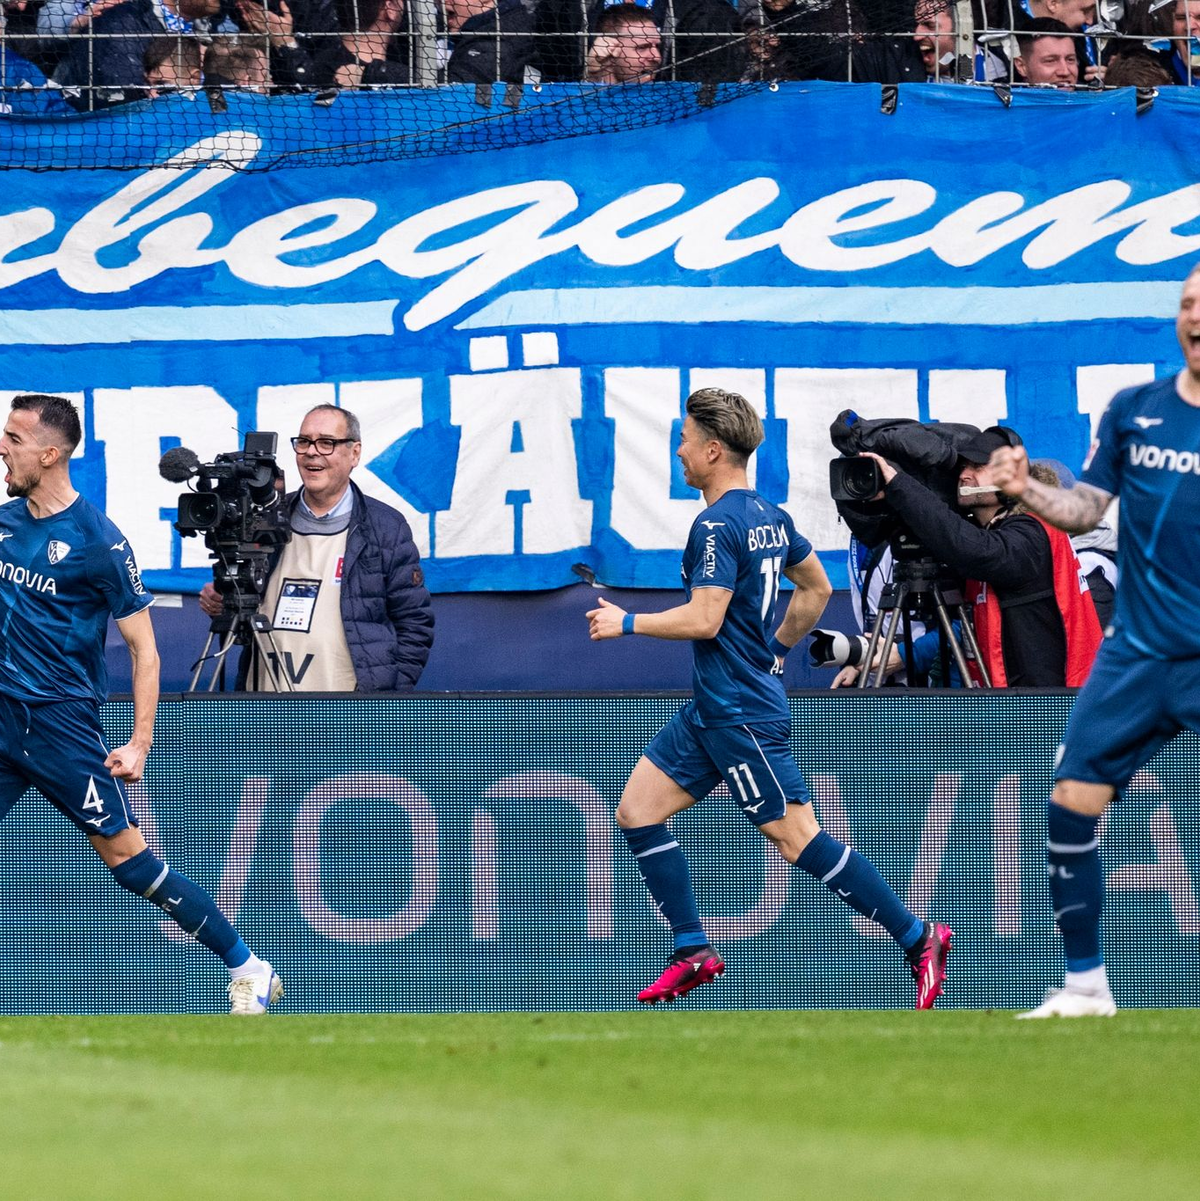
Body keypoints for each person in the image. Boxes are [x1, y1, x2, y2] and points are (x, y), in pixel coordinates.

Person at [586, 387, 952, 1009]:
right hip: (713, 706)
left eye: (683, 439)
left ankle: (919, 938)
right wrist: (774, 647)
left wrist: (628, 623)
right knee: (637, 810)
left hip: (738, 712)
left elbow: (705, 619)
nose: (677, 451)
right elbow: (816, 587)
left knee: (797, 838)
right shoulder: (766, 515)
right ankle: (693, 949)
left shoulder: (715, 523)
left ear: (711, 449)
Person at [0, 394, 281, 1015]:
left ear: (49, 454)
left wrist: (140, 742)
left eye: (13, 439)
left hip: (60, 726)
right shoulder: (5, 522)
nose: (2, 448)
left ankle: (248, 966)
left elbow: (144, 653)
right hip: (2, 714)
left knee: (129, 861)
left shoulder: (99, 543)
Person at [990, 265, 1200, 1018]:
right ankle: (1087, 986)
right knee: (1071, 797)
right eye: (1185, 304)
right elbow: (1084, 510)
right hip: (1139, 651)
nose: (1194, 316)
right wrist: (1023, 492)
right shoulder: (1135, 411)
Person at [199, 404, 434, 691]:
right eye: (304, 442)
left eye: (326, 443)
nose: (312, 452)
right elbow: (243, 613)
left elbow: (415, 624)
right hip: (265, 705)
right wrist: (224, 603)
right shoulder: (264, 518)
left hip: (350, 713)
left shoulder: (385, 527)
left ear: (355, 453)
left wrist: (385, 698)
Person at [860, 425, 1103, 687]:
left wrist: (900, 486)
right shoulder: (999, 531)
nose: (964, 475)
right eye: (963, 468)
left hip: (1054, 707)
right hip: (1026, 701)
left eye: (977, 467)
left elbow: (973, 549)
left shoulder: (1030, 533)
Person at [1014, 19, 1082, 88]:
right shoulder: (1009, 97)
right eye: (1050, 61)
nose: (1065, 72)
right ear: (1021, 66)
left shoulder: (1090, 96)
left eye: (1070, 60)